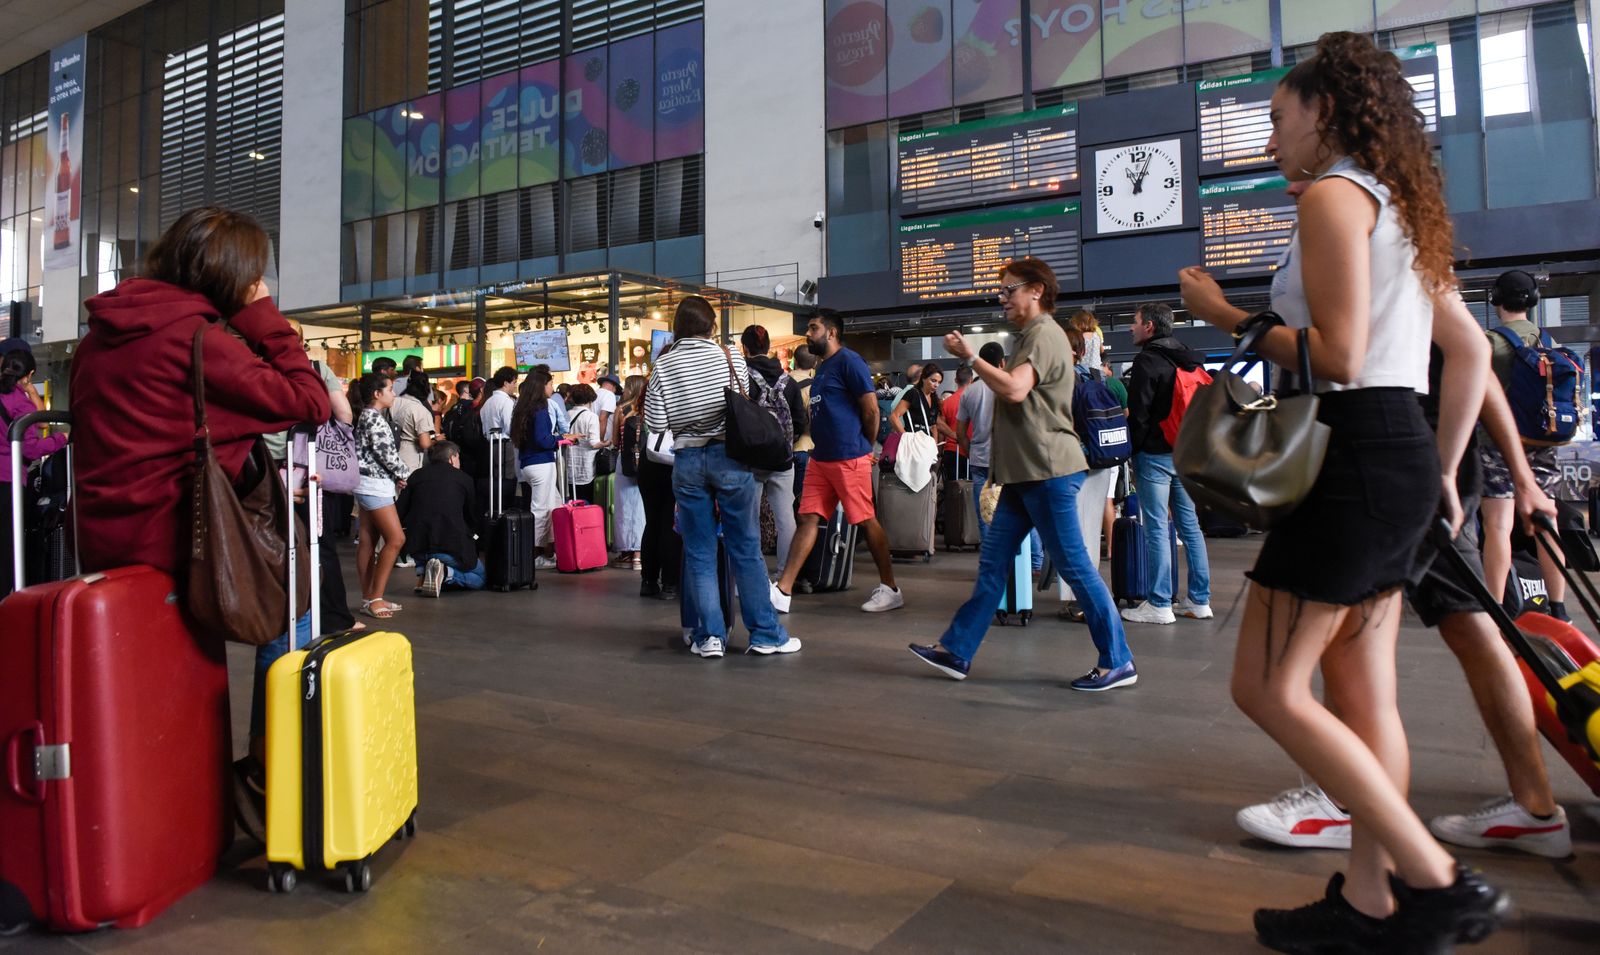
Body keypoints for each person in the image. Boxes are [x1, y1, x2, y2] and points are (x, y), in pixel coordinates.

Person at [1175, 31, 1507, 951]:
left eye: (1278, 120)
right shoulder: (1395, 204)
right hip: (1395, 455)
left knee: (1269, 687)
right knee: (1364, 700)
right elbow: (1469, 352)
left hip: (1350, 458)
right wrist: (1441, 471)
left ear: (1323, 113)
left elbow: (1338, 356)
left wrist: (1230, 319)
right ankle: (1371, 903)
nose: (1270, 140)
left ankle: (1436, 878)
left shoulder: (1330, 197)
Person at [1236, 348, 1571, 860]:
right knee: (1456, 626)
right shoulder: (1422, 279)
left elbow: (1466, 352)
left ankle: (1351, 805)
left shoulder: (1390, 270)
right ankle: (1531, 806)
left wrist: (1233, 318)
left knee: (1346, 630)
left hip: (1399, 457)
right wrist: (1515, 476)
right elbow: (1474, 360)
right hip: (1424, 457)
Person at [69, 207, 331, 844]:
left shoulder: (98, 336)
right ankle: (273, 778)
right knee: (296, 601)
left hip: (103, 537)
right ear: (234, 277)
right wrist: (265, 318)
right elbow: (308, 403)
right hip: (176, 539)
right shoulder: (198, 339)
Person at [908, 257, 1134, 693]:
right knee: (994, 565)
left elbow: (1015, 389)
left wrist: (972, 357)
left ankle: (1118, 659)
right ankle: (956, 650)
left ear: (1036, 290)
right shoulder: (1032, 335)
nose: (1003, 297)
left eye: (1010, 289)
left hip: (1046, 470)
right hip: (1025, 472)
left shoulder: (1044, 334)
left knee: (1075, 566)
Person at [644, 296, 799, 658]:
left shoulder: (662, 365)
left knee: (698, 552)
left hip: (686, 461)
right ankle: (765, 634)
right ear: (711, 325)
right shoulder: (727, 355)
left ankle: (710, 636)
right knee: (745, 547)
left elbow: (655, 423)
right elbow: (743, 398)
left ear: (678, 326)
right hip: (728, 457)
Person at [769, 311, 905, 615]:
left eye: (813, 328)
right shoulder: (824, 367)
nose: (808, 333)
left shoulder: (849, 362)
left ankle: (890, 589)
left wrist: (862, 447)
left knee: (865, 519)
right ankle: (783, 590)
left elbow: (871, 410)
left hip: (848, 457)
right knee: (808, 518)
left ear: (831, 333)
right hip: (821, 458)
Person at [1478, 268, 1570, 619]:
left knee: (1498, 526)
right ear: (1533, 301)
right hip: (1541, 443)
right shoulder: (1550, 343)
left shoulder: (1489, 342)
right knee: (1548, 523)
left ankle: (1496, 609)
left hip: (1496, 444)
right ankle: (1559, 607)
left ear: (1496, 300)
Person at [1121, 301, 1212, 624]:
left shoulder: (1147, 361)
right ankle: (1199, 601)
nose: (1131, 327)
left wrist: (1134, 449)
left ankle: (1159, 603)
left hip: (1156, 456)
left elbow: (1140, 415)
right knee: (1191, 527)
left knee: (1157, 527)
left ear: (1149, 326)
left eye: (1134, 322)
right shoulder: (1188, 358)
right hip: (1186, 453)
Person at [956, 342, 1046, 572]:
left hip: (979, 460)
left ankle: (993, 565)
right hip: (1012, 461)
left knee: (986, 515)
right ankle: (1035, 562)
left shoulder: (970, 392)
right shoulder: (1012, 387)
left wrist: (970, 450)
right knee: (1026, 511)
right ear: (1003, 362)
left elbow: (960, 431)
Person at [1054, 327, 1119, 622]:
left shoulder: (1062, 378)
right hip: (1101, 458)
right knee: (1090, 532)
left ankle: (1080, 600)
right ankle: (1087, 597)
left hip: (1074, 461)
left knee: (1073, 534)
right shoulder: (1097, 376)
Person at [741, 324, 806, 578]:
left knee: (750, 519)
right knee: (785, 517)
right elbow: (800, 422)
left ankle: (754, 576)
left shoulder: (742, 378)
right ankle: (785, 574)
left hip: (751, 460)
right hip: (783, 459)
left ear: (745, 348)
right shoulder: (787, 381)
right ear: (769, 348)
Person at [0, 348, 66, 597]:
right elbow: (31, 447)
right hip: (8, 482)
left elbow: (40, 421)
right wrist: (63, 438)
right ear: (28, 375)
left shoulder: (11, 398)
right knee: (7, 549)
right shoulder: (20, 403)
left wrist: (27, 388)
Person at [353, 371, 411, 619]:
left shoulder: (367, 416)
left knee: (368, 540)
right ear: (377, 394)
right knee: (396, 539)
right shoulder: (374, 419)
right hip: (375, 486)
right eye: (389, 389)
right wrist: (404, 472)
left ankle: (369, 597)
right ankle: (375, 598)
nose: (393, 393)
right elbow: (385, 454)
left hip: (368, 483)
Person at [398, 441, 486, 596]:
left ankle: (423, 573)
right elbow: (472, 517)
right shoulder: (464, 479)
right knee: (479, 577)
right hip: (449, 547)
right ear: (452, 458)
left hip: (417, 548)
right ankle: (446, 573)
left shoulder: (416, 476)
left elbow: (400, 511)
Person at [635, 374, 682, 598]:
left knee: (652, 522)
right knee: (670, 523)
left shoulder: (650, 387)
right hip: (674, 460)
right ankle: (670, 583)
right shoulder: (682, 385)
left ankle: (648, 580)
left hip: (650, 458)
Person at [510, 369, 562, 571]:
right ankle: (535, 553)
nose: (552, 388)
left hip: (529, 464)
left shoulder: (523, 407)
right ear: (542, 386)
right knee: (541, 509)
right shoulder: (540, 408)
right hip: (542, 464)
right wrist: (559, 439)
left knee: (554, 505)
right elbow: (543, 439)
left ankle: (550, 550)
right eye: (550, 384)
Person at [611, 375, 647, 569]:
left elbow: (615, 441)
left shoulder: (621, 410)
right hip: (647, 464)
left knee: (624, 507)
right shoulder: (648, 409)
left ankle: (626, 553)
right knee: (642, 507)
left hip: (624, 463)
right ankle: (639, 555)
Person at [479, 365, 518, 508]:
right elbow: (510, 427)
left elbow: (484, 430)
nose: (515, 386)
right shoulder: (506, 401)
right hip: (505, 445)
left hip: (490, 445)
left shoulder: (487, 402)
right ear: (506, 383)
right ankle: (506, 513)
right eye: (514, 382)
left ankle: (495, 510)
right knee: (507, 481)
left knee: (495, 481)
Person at [890, 361, 955, 443]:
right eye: (933, 380)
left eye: (939, 382)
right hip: (913, 441)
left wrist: (934, 445)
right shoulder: (913, 393)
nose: (936, 385)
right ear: (923, 378)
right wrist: (906, 438)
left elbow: (933, 425)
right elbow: (894, 417)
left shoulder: (934, 398)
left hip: (927, 444)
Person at [790, 345, 818, 513]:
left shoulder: (780, 382)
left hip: (780, 451)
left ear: (794, 361)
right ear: (814, 363)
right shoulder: (813, 388)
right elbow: (815, 420)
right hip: (805, 448)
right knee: (802, 504)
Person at [564, 383, 602, 504]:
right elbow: (594, 443)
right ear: (590, 399)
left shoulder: (567, 414)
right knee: (586, 502)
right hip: (586, 467)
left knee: (573, 501)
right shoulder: (591, 416)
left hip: (569, 467)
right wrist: (607, 443)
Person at [939, 363, 972, 479]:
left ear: (955, 380)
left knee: (953, 491)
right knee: (970, 491)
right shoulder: (974, 401)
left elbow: (941, 432)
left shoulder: (946, 403)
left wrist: (939, 453)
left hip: (951, 451)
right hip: (971, 451)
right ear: (971, 380)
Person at [1070, 308, 1111, 380]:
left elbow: (1078, 353)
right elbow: (1102, 351)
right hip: (1096, 371)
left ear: (1078, 324)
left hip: (1083, 370)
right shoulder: (1096, 335)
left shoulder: (1079, 336)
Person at [594, 373, 620, 441]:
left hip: (593, 435)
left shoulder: (595, 393)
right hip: (603, 439)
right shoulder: (609, 395)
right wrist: (601, 440)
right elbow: (602, 418)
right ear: (614, 386)